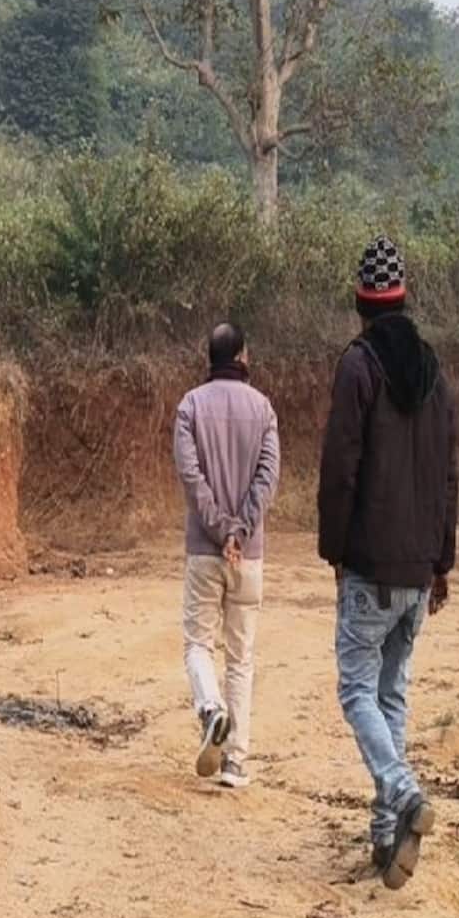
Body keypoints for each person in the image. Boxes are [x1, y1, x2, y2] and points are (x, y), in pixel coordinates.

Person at [317, 237, 459, 890]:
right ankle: (384, 839)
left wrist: (335, 549)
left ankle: (401, 790)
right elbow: (449, 474)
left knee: (355, 688)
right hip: (418, 568)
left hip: (372, 562)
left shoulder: (359, 367)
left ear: (361, 301)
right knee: (391, 692)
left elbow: (341, 467)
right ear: (403, 296)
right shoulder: (434, 372)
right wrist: (442, 562)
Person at [172, 323, 281, 789]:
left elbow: (191, 476)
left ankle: (211, 709)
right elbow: (267, 477)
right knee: (241, 656)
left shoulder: (190, 406)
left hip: (204, 549)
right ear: (242, 355)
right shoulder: (264, 409)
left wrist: (219, 530)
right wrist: (240, 530)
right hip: (248, 554)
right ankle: (235, 763)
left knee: (198, 644)